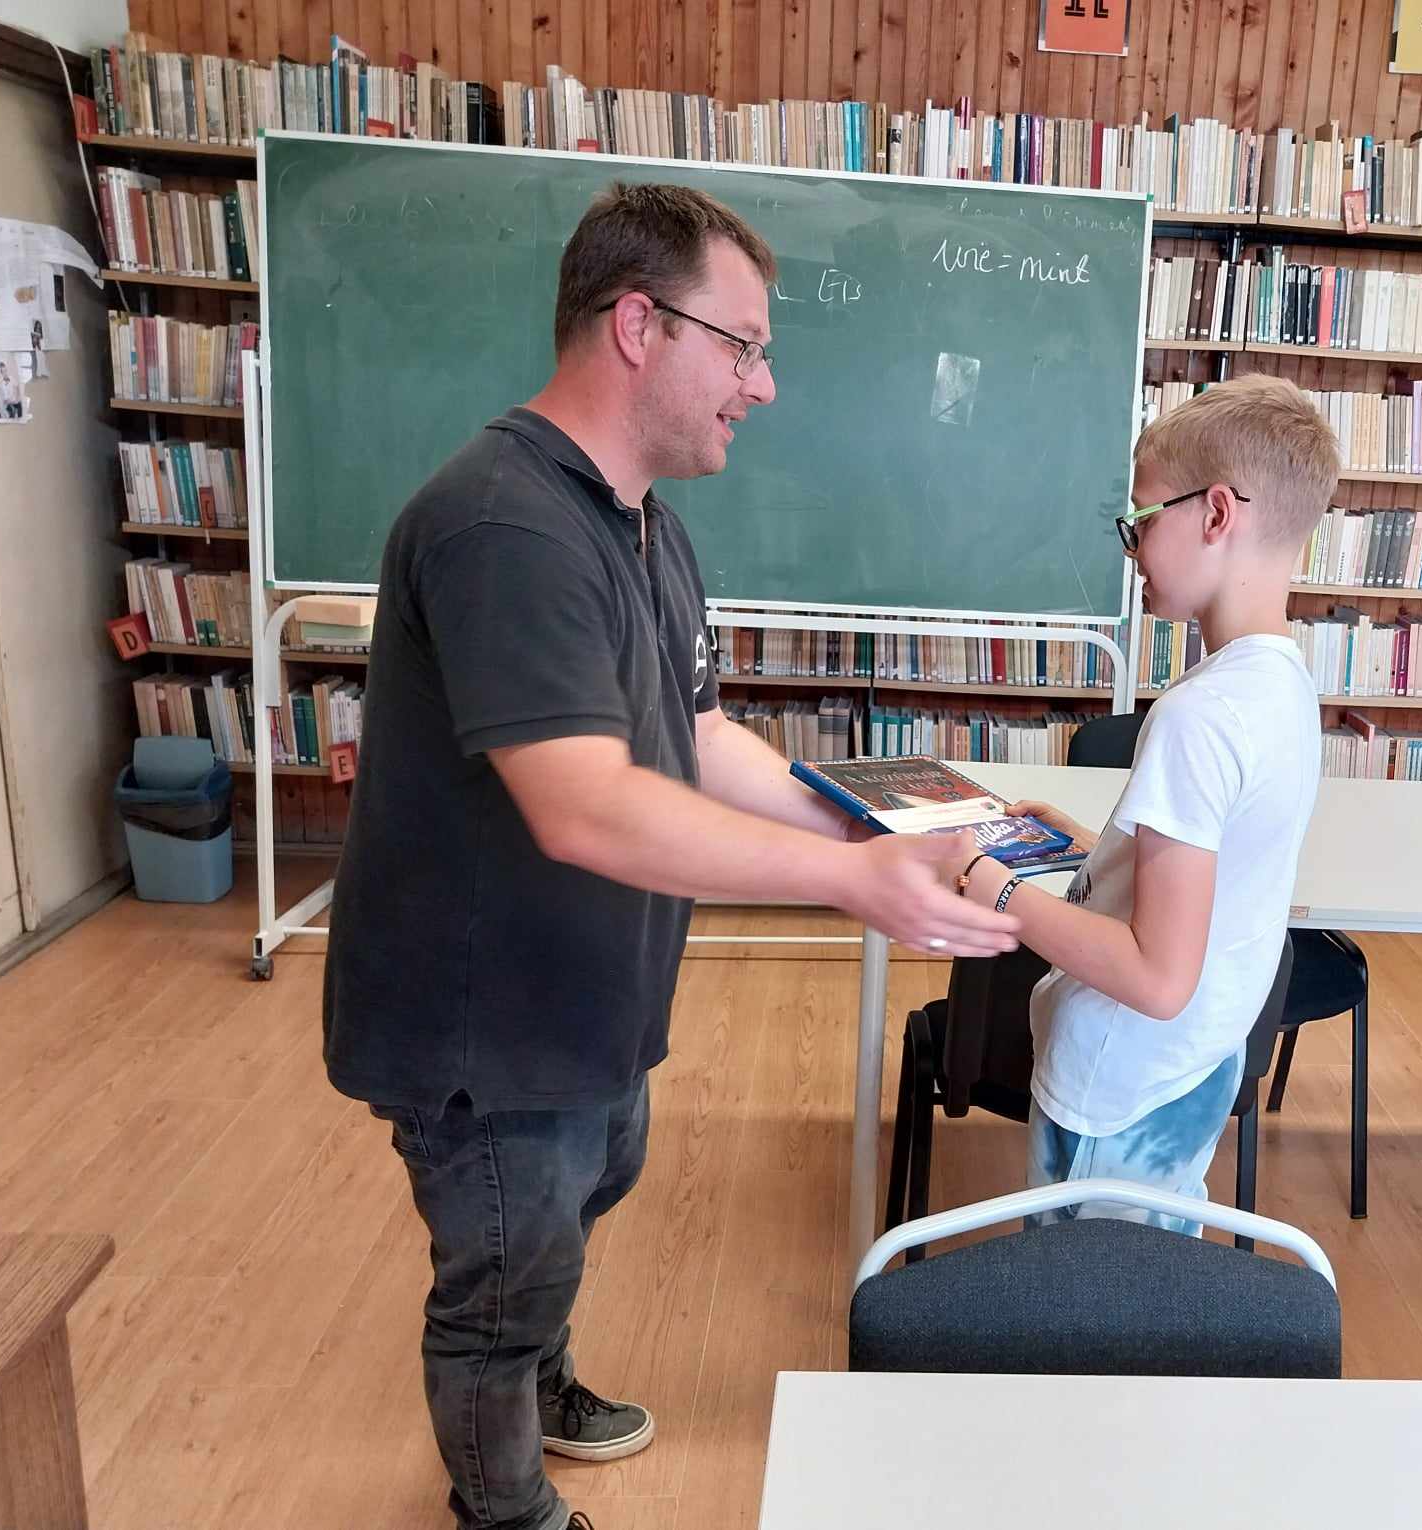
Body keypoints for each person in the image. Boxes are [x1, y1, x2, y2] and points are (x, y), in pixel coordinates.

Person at [322, 182, 1018, 1530]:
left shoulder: (643, 518)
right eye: (744, 346)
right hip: (485, 1024)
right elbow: (583, 807)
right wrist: (849, 882)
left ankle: (541, 1379)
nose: (765, 385)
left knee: (584, 1197)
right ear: (639, 326)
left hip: (591, 993)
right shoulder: (504, 526)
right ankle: (505, 1506)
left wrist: (873, 824)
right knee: (502, 1276)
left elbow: (697, 738)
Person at [943, 375, 1337, 1231]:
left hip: (1118, 1081)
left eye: (1142, 520)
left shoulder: (1200, 714)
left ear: (1217, 513)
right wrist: (1100, 848)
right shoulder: (1281, 686)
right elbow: (1210, 878)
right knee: (1146, 1280)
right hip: (1192, 1067)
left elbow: (1156, 978)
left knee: (1086, 1297)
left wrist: (994, 889)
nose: (1132, 547)